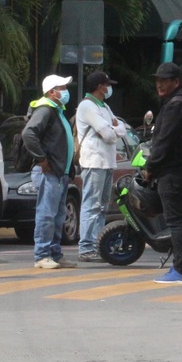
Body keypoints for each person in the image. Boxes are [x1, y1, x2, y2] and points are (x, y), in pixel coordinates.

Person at [144, 62, 182, 284]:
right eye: (157, 80)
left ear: (176, 82)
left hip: (173, 171)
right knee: (179, 219)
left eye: (164, 80)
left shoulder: (176, 105)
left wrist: (150, 167)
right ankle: (181, 267)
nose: (159, 84)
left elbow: (164, 141)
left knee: (175, 220)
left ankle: (181, 269)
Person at [20, 74, 79, 270]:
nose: (65, 92)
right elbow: (29, 134)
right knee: (47, 213)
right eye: (62, 88)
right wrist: (42, 159)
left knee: (57, 215)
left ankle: (54, 253)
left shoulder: (56, 110)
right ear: (52, 92)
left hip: (59, 171)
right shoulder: (45, 109)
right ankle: (42, 255)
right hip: (50, 171)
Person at [74, 70, 125, 261]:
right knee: (92, 204)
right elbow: (109, 133)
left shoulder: (103, 106)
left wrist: (114, 128)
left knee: (102, 206)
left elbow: (120, 127)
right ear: (99, 87)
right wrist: (114, 129)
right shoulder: (87, 106)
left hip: (107, 161)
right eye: (107, 84)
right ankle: (86, 247)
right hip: (94, 161)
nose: (109, 88)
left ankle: (98, 244)